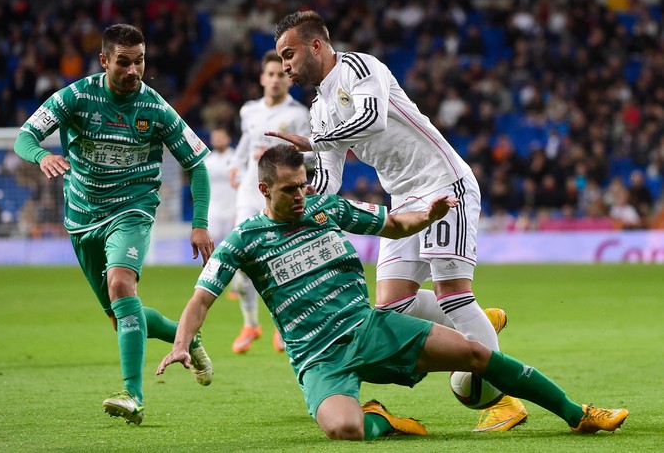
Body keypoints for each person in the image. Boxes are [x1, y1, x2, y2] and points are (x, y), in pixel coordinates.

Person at [157, 145, 628, 441]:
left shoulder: (326, 209)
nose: (300, 195)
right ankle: (382, 419)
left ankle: (576, 412)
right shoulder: (245, 240)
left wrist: (428, 214)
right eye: (289, 190)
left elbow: (394, 223)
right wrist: (182, 344)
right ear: (264, 189)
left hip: (369, 328)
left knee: (474, 352)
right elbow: (201, 299)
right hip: (319, 358)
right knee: (344, 429)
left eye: (303, 186)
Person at [266, 10, 526, 431]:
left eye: (290, 54)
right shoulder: (319, 111)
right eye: (282, 59)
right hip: (404, 199)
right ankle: (477, 325)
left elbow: (374, 119)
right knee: (393, 305)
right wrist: (300, 205)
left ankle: (504, 400)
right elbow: (329, 181)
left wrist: (315, 142)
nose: (286, 66)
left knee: (453, 294)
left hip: (444, 184)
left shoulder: (361, 68)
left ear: (316, 45)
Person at [14, 23, 215, 426]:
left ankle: (133, 395)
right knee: (120, 315)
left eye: (139, 61)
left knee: (122, 285)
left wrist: (199, 222)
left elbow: (196, 165)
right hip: (82, 218)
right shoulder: (75, 97)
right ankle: (186, 336)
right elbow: (25, 137)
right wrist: (41, 156)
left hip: (133, 208)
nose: (133, 70)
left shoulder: (155, 108)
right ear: (104, 60)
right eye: (123, 62)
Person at [226, 49, 310, 354]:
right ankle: (250, 324)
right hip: (249, 194)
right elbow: (247, 141)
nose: (275, 80)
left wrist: (279, 160)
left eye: (281, 75)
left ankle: (283, 326)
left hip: (282, 199)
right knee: (241, 260)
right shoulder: (249, 110)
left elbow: (312, 153)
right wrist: (235, 163)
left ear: (288, 79)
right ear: (263, 78)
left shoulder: (299, 115)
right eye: (270, 74)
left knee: (283, 261)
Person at [203, 127, 237, 243]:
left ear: (228, 139)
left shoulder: (237, 159)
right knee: (209, 241)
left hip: (233, 208)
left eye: (220, 137)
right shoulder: (207, 162)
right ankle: (210, 261)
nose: (217, 140)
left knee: (233, 242)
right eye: (215, 138)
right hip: (213, 208)